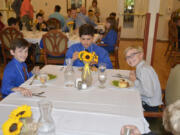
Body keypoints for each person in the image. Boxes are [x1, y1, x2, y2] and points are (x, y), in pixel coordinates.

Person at [124, 46, 162, 111]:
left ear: (141, 55)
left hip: (149, 107)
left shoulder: (144, 70)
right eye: (127, 57)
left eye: (132, 55)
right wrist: (135, 75)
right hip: (146, 103)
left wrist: (135, 80)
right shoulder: (142, 67)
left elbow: (149, 93)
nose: (130, 59)